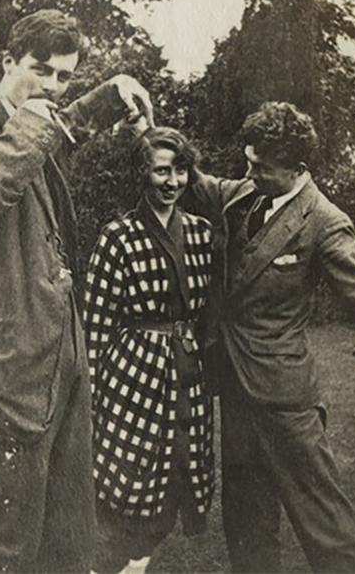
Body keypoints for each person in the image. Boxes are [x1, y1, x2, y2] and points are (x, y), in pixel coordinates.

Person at [0, 10, 154, 574]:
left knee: (67, 530)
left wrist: (110, 95)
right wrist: (33, 123)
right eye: (40, 70)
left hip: (60, 356)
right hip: (7, 369)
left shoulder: (30, 129)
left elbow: (58, 129)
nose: (51, 86)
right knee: (7, 537)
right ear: (6, 63)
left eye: (64, 76)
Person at [192, 101, 355, 574]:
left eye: (261, 167)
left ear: (298, 169)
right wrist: (144, 124)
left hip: (287, 403)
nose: (249, 171)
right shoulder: (242, 196)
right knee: (247, 529)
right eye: (249, 160)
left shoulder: (325, 222)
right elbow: (194, 181)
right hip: (235, 394)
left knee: (330, 531)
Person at [84, 127, 215, 574]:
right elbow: (97, 326)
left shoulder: (199, 233)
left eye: (180, 170)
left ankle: (138, 562)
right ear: (143, 174)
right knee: (127, 486)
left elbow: (209, 311)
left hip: (184, 374)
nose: (172, 181)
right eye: (162, 170)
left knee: (176, 478)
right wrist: (94, 396)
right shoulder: (117, 236)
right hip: (132, 376)